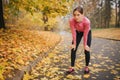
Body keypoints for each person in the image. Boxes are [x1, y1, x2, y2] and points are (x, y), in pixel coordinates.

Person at [66, 6, 92, 74]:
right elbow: (73, 33)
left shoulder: (87, 22)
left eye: (78, 15)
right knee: (73, 48)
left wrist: (85, 45)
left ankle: (86, 67)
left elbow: (85, 35)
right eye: (74, 15)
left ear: (82, 15)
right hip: (78, 32)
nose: (76, 17)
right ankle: (72, 67)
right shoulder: (71, 21)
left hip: (87, 32)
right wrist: (74, 44)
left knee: (86, 49)